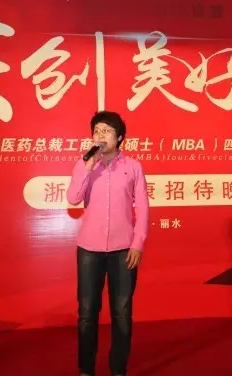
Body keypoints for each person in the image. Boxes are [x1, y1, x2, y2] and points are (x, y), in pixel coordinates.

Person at [66, 111, 150, 376]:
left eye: (107, 130)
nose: (100, 135)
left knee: (121, 313)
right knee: (87, 312)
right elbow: (73, 198)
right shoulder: (85, 164)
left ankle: (118, 369)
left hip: (123, 249)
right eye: (97, 130)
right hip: (89, 250)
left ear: (120, 137)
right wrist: (86, 168)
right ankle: (86, 370)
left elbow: (143, 207)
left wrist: (138, 242)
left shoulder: (133, 167)